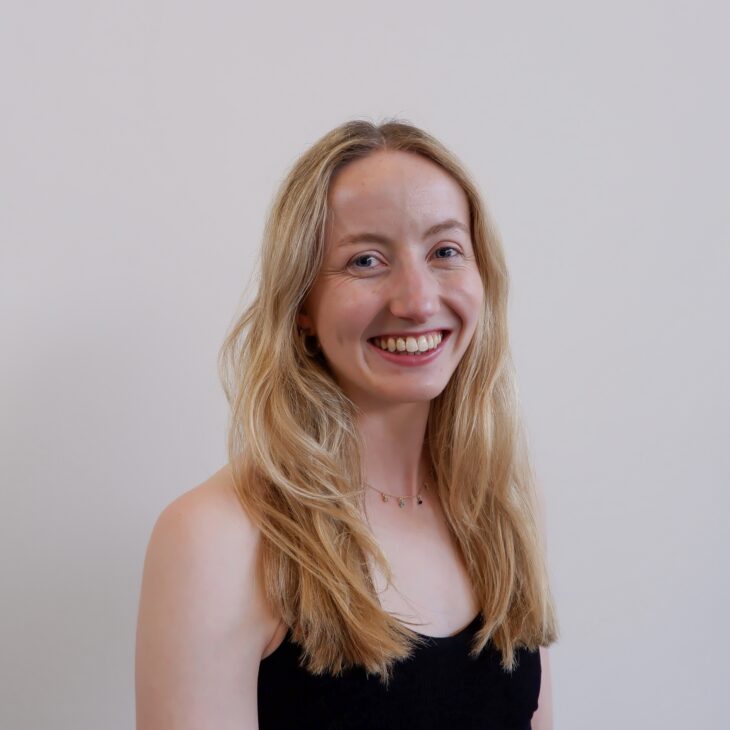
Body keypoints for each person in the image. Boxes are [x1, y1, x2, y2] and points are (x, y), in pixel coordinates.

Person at [135, 119, 559, 729]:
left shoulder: (506, 508)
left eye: (445, 251)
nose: (416, 299)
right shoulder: (216, 539)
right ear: (302, 303)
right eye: (366, 260)